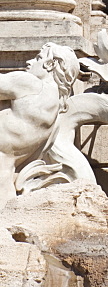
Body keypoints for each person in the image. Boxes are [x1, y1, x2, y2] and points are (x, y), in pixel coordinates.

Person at [0, 43, 79, 205]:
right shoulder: (55, 114)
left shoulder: (29, 83)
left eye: (38, 58)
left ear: (50, 64)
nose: (29, 62)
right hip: (6, 179)